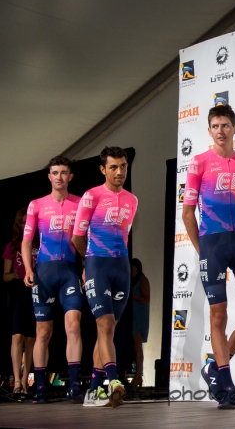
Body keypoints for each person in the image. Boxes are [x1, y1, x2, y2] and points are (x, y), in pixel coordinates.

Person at [182, 104, 235, 409]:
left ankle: (215, 366)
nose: (220, 131)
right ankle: (226, 383)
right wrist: (202, 247)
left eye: (225, 125)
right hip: (212, 245)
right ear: (209, 131)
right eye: (215, 126)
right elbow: (188, 213)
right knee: (219, 316)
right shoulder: (199, 162)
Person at [72, 146, 138, 408]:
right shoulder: (91, 196)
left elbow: (126, 234)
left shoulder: (132, 200)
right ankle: (113, 382)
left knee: (108, 331)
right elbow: (77, 237)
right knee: (105, 325)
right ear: (103, 169)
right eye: (113, 167)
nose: (119, 171)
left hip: (121, 266)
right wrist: (89, 261)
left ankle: (93, 390)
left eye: (123, 166)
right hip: (97, 264)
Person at [22, 156, 84, 404]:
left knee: (74, 326)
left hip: (70, 271)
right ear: (49, 177)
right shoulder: (36, 204)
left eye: (64, 172)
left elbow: (87, 240)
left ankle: (75, 385)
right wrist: (28, 268)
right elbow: (26, 241)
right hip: (44, 273)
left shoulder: (80, 203)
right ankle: (40, 388)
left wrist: (86, 267)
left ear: (70, 177)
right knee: (43, 332)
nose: (59, 177)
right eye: (55, 172)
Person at [2, 208, 37, 397]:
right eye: (22, 222)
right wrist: (15, 274)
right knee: (17, 337)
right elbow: (4, 276)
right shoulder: (12, 246)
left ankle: (25, 381)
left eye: (28, 222)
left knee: (31, 339)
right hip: (17, 292)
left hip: (35, 292)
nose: (25, 225)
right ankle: (16, 381)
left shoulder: (39, 244)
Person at [130, 258, 150, 388]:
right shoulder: (131, 281)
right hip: (131, 316)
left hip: (139, 315)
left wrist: (132, 296)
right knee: (132, 347)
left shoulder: (143, 280)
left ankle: (138, 375)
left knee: (138, 347)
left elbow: (146, 299)